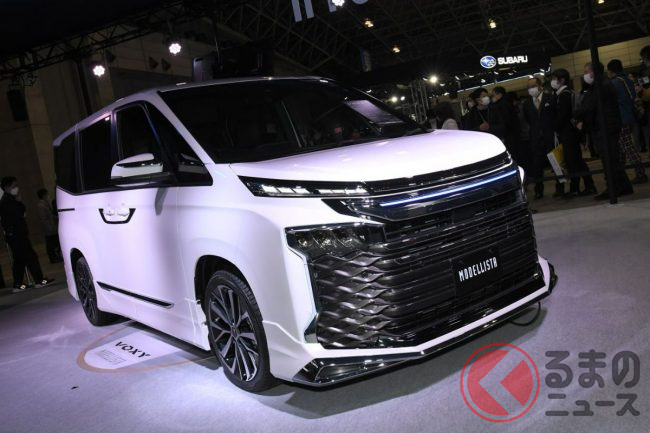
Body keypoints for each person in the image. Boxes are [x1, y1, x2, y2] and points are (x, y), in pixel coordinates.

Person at [575, 63, 633, 200]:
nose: (585, 75)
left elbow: (589, 106)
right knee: (612, 159)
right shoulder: (602, 84)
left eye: (586, 72)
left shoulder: (600, 86)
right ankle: (624, 186)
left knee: (609, 159)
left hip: (605, 127)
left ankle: (613, 188)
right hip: (607, 125)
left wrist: (576, 114)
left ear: (594, 72)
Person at [0, 176, 54, 290]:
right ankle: (39, 280)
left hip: (15, 235)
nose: (17, 188)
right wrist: (19, 203)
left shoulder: (7, 200)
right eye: (14, 186)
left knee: (19, 260)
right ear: (7, 187)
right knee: (31, 257)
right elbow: (19, 213)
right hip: (17, 235)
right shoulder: (8, 201)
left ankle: (18, 284)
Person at [551, 68, 597, 196]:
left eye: (554, 79)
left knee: (573, 161)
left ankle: (577, 187)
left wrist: (554, 126)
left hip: (568, 132)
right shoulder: (565, 93)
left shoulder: (564, 94)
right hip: (571, 131)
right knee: (576, 160)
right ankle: (587, 185)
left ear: (562, 80)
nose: (552, 81)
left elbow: (563, 115)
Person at [607, 59, 648, 184]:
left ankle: (640, 173)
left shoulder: (614, 83)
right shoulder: (628, 80)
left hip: (621, 118)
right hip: (630, 116)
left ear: (611, 71)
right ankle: (621, 174)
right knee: (621, 147)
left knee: (627, 146)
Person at [523, 77, 558, 199]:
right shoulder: (527, 104)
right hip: (536, 138)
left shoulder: (550, 98)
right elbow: (528, 120)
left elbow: (555, 115)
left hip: (550, 136)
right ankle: (538, 190)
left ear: (539, 86)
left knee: (555, 163)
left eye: (533, 86)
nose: (531, 89)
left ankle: (560, 187)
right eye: (528, 87)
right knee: (537, 165)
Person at [492, 86, 519, 160]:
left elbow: (505, 122)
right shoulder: (507, 103)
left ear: (500, 94)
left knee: (512, 156)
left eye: (494, 95)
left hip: (509, 136)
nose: (492, 97)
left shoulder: (501, 105)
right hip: (513, 134)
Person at [36, 188, 62, 263]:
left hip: (51, 227)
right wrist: (50, 228)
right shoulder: (41, 205)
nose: (48, 196)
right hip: (49, 229)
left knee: (53, 243)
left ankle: (55, 256)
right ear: (43, 195)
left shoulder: (45, 204)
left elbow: (50, 215)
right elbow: (44, 219)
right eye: (47, 194)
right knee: (51, 244)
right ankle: (53, 258)